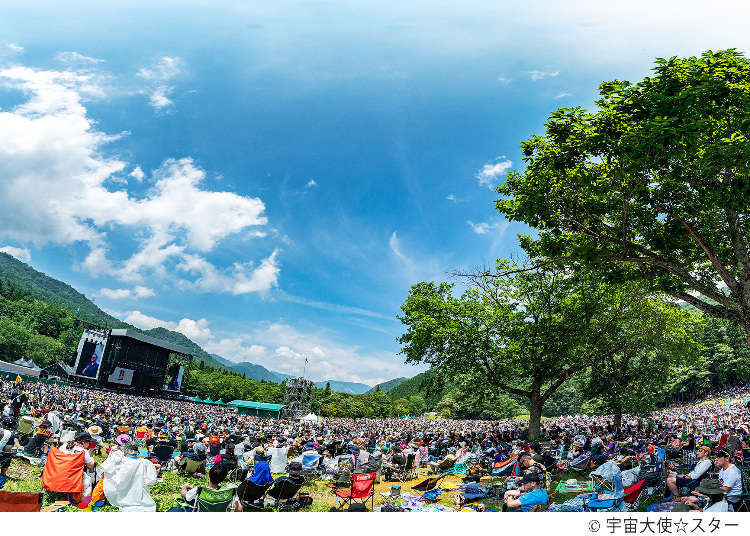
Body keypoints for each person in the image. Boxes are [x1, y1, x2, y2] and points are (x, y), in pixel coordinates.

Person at [100, 440, 158, 512]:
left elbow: (105, 469)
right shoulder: (146, 462)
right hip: (141, 495)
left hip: (122, 495)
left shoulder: (119, 461)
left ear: (125, 450)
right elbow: (151, 480)